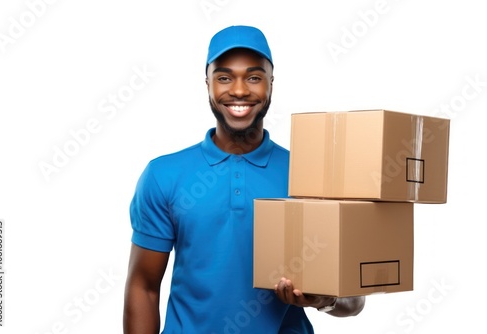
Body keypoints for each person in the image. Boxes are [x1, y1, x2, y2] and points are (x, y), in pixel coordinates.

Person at [123, 25, 365, 334]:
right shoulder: (164, 175)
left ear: (271, 84)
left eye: (253, 77)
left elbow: (354, 302)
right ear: (207, 83)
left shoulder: (310, 177)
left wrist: (324, 300)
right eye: (224, 77)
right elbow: (143, 287)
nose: (239, 91)